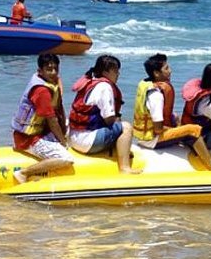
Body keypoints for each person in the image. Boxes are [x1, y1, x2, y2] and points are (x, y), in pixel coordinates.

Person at [133, 54, 211, 170]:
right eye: (166, 68)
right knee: (193, 129)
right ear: (156, 73)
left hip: (147, 135)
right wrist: (181, 131)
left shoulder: (150, 87)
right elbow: (158, 129)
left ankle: (192, 143)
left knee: (176, 118)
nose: (170, 71)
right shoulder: (156, 95)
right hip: (152, 139)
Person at [68, 54, 141, 174]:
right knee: (126, 127)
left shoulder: (90, 82)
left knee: (117, 127)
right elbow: (109, 120)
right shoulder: (105, 87)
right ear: (105, 71)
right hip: (87, 142)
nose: (118, 74)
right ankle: (124, 168)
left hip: (74, 139)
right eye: (115, 71)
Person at [11, 54, 74, 184]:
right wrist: (63, 142)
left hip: (42, 132)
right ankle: (23, 173)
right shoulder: (41, 91)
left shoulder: (50, 81)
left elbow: (59, 110)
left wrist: (64, 132)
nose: (53, 72)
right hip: (28, 139)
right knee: (66, 159)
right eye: (49, 69)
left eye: (56, 69)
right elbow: (51, 120)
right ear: (40, 71)